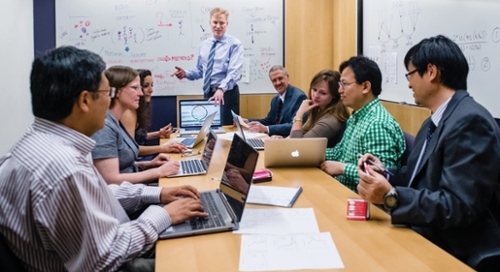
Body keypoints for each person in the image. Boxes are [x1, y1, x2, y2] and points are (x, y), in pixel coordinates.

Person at [0, 46, 207, 271]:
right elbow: (102, 258)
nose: (109, 104)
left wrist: (158, 192)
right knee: (201, 257)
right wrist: (163, 215)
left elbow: (101, 193)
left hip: (108, 242)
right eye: (107, 94)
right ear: (85, 101)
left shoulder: (35, 145)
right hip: (111, 259)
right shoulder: (64, 168)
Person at [357, 35, 500, 271]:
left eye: (410, 74)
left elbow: (457, 206)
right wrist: (384, 173)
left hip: (454, 248)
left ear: (431, 72)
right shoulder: (435, 119)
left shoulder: (470, 121)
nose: (408, 84)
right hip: (424, 230)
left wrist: (390, 196)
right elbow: (417, 179)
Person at [320, 56, 405, 192]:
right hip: (339, 190)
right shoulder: (356, 115)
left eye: (344, 84)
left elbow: (379, 180)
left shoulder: (377, 124)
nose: (339, 90)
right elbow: (339, 152)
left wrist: (342, 168)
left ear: (365, 87)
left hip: (358, 200)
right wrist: (310, 153)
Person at [92, 66, 180, 184]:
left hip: (134, 188)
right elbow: (110, 180)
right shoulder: (105, 128)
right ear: (116, 91)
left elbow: (123, 167)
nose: (140, 93)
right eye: (135, 88)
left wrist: (150, 164)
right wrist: (159, 171)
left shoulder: (116, 121)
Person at [172, 7, 243, 125]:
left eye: (222, 23)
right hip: (208, 92)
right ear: (210, 23)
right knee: (210, 128)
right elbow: (201, 70)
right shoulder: (204, 45)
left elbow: (234, 72)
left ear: (227, 24)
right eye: (215, 22)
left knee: (227, 128)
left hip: (227, 94)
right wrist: (186, 74)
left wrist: (221, 89)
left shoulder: (235, 44)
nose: (218, 26)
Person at [277, 69, 350, 148]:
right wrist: (282, 141)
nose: (316, 95)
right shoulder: (319, 110)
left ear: (334, 96)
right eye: (314, 90)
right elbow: (297, 136)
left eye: (323, 93)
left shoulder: (330, 121)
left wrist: (299, 114)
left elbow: (296, 146)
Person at [121, 69, 187, 155]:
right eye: (145, 86)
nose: (151, 90)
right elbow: (132, 149)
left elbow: (137, 138)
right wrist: (163, 148)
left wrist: (158, 134)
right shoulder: (128, 113)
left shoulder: (138, 109)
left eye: (152, 85)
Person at [244, 65, 307, 137]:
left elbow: (294, 126)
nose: (278, 83)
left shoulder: (299, 97)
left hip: (289, 140)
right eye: (274, 80)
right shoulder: (275, 99)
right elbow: (269, 121)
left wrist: (266, 129)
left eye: (280, 78)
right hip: (275, 138)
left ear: (287, 77)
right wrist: (247, 121)